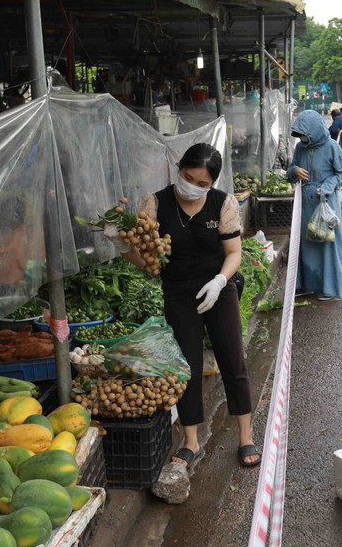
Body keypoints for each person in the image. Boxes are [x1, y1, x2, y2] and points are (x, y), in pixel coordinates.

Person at [107, 144, 259, 469]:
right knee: (186, 366)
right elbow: (147, 261)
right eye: (188, 178)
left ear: (212, 183)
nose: (193, 187)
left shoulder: (222, 203)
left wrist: (220, 281)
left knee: (233, 360)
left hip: (219, 288)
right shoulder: (156, 203)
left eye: (203, 183)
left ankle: (245, 435)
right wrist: (121, 244)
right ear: (179, 169)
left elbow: (234, 252)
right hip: (177, 293)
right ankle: (191, 440)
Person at [286, 110, 342, 300]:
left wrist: (327, 186)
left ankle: (330, 289)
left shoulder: (332, 146)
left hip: (326, 203)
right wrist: (294, 170)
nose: (302, 138)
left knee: (327, 243)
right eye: (300, 135)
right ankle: (307, 284)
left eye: (304, 134)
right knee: (306, 243)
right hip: (305, 204)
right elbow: (290, 172)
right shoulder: (300, 148)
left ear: (314, 131)